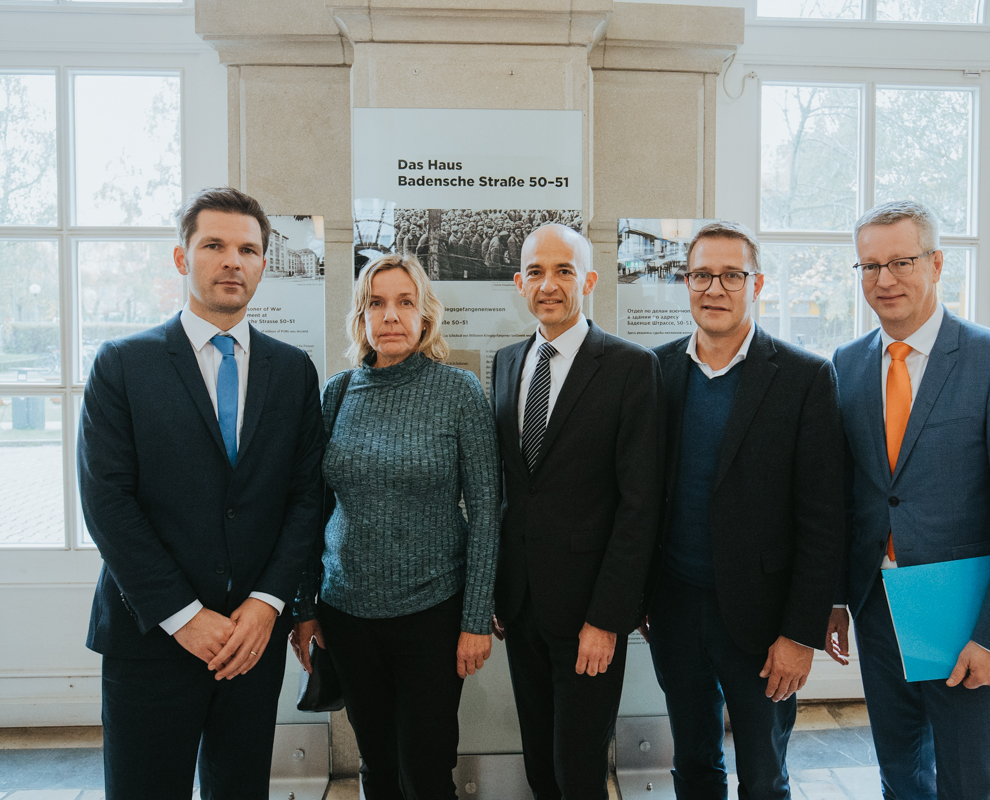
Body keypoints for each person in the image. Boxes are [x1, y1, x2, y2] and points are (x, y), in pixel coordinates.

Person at [78, 187, 325, 800]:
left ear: (265, 263)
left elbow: (306, 497)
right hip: (151, 636)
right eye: (214, 245)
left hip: (250, 637)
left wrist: (270, 603)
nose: (232, 261)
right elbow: (107, 502)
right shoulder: (123, 365)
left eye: (248, 249)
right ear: (182, 258)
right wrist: (184, 617)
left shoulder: (293, 371)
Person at [825, 200, 990, 800]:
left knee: (970, 784)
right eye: (869, 266)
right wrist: (836, 601)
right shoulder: (847, 365)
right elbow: (847, 498)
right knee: (900, 777)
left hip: (966, 619)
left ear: (937, 262)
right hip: (880, 612)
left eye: (900, 261)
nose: (884, 280)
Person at [644, 221, 844, 799]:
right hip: (675, 609)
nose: (715, 288)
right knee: (694, 763)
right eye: (702, 274)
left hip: (763, 625)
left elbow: (823, 519)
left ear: (756, 284)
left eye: (732, 275)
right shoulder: (655, 372)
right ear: (685, 283)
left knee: (762, 774)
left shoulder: (805, 377)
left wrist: (799, 633)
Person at [291, 253, 501, 800]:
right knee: (376, 765)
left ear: (424, 315)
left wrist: (477, 618)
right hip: (347, 615)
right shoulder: (337, 393)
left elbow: (485, 514)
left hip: (432, 616)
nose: (391, 316)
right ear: (361, 318)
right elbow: (310, 512)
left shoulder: (459, 392)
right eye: (376, 304)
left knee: (427, 769)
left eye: (404, 302)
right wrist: (306, 607)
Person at [491, 223, 662, 800]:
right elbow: (509, 491)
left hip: (590, 613)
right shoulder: (507, 362)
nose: (549, 284)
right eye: (536, 272)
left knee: (579, 769)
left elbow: (640, 506)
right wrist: (496, 594)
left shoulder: (630, 368)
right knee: (539, 761)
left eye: (564, 271)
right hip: (521, 607)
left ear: (588, 280)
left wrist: (609, 617)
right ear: (519, 282)